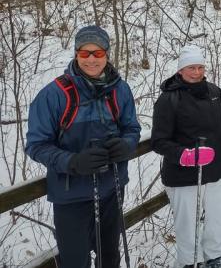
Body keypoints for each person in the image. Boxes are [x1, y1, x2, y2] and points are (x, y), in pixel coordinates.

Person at [26, 25, 141, 268]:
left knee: (109, 256)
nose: (91, 59)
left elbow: (132, 129)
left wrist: (126, 146)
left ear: (107, 54)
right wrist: (73, 162)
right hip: (71, 197)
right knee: (75, 261)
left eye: (97, 53)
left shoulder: (120, 90)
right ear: (76, 54)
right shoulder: (54, 95)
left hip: (112, 189)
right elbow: (36, 145)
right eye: (84, 53)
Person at [151, 46, 221, 268]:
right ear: (181, 70)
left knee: (217, 218)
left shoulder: (214, 92)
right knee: (187, 224)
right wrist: (186, 156)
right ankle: (190, 262)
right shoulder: (168, 99)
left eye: (200, 67)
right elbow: (159, 141)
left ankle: (214, 256)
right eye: (191, 67)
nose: (197, 72)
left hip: (217, 168)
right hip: (183, 175)